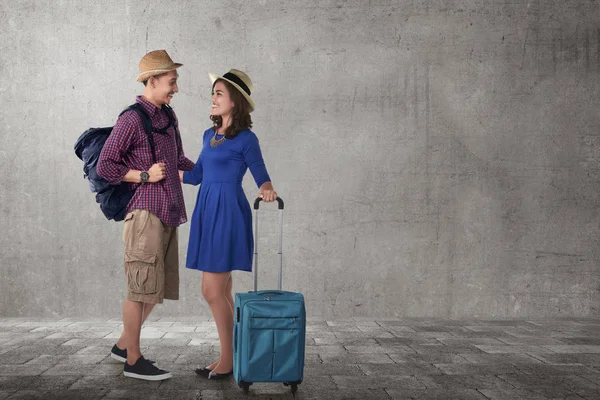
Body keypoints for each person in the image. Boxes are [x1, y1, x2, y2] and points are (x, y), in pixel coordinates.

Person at [97, 49, 196, 381]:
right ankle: (133, 362)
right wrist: (142, 175)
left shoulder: (168, 117)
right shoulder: (132, 118)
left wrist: (215, 171)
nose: (176, 88)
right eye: (172, 81)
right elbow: (106, 164)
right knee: (139, 289)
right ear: (152, 81)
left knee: (154, 289)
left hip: (168, 212)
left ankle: (124, 345)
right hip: (143, 215)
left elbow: (180, 161)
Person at [180, 69, 278, 380]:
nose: (213, 97)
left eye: (219, 93)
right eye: (214, 92)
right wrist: (166, 170)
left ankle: (229, 360)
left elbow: (260, 172)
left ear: (234, 102)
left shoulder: (247, 139)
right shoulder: (209, 136)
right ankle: (233, 354)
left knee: (211, 290)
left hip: (228, 213)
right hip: (207, 211)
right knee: (221, 291)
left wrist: (266, 188)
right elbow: (196, 176)